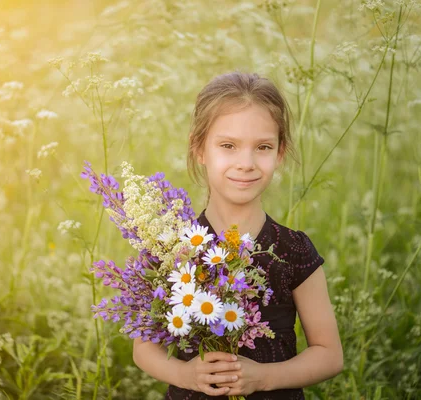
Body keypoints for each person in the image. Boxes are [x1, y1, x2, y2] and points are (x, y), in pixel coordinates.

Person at [132, 71, 343, 399]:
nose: (245, 163)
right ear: (200, 149)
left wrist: (262, 378)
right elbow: (143, 349)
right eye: (228, 146)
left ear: (280, 152)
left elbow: (329, 354)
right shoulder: (172, 248)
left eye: (262, 147)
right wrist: (185, 374)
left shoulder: (293, 250)